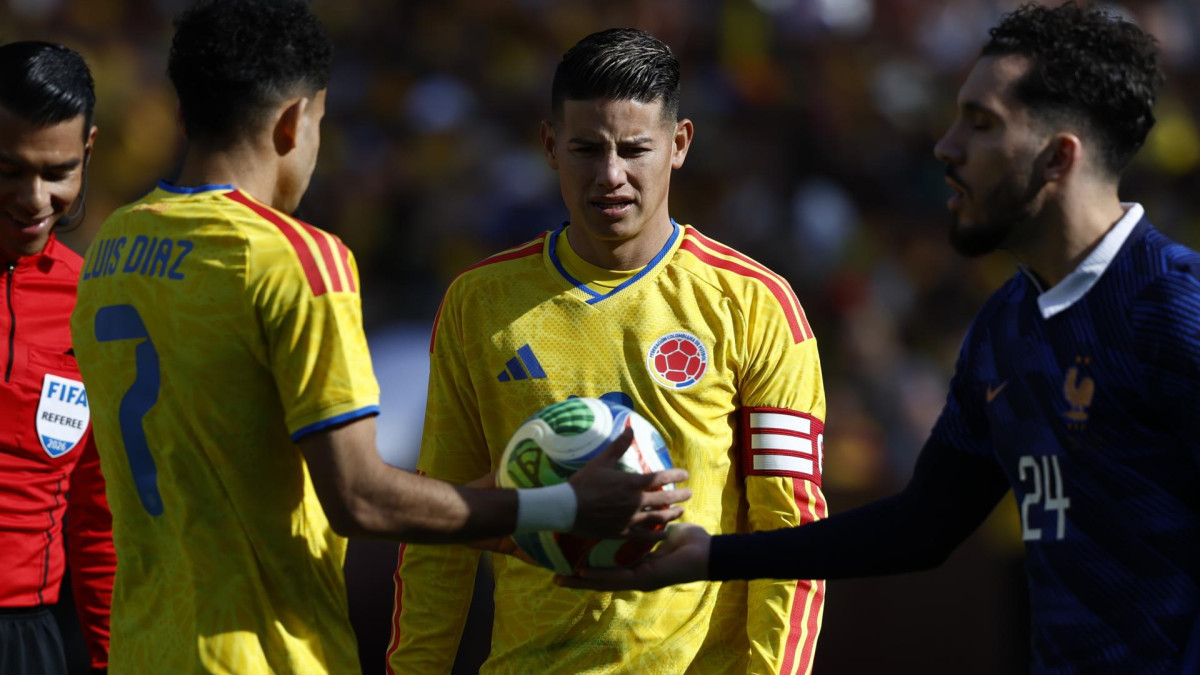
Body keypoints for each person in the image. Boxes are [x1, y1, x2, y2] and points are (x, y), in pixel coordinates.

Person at [563, 4, 1200, 673]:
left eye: (981, 124)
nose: (945, 145)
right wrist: (714, 556)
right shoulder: (1005, 326)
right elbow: (921, 526)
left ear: (1057, 157)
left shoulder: (1174, 309)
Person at [68, 2, 689, 672]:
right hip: (261, 654)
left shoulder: (111, 248)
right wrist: (557, 504)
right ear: (294, 120)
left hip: (142, 649)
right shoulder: (295, 258)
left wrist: (490, 505)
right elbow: (359, 497)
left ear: (185, 111)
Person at [388, 28, 827, 675]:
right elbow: (439, 527)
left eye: (634, 149)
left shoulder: (756, 304)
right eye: (587, 149)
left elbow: (791, 532)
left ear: (678, 146)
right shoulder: (479, 303)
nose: (610, 175)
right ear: (549, 147)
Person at [0, 41, 115, 675]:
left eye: (56, 173)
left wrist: (110, 661)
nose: (34, 198)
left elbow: (98, 519)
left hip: (31, 644)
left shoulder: (92, 305)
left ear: (88, 153)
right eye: (8, 170)